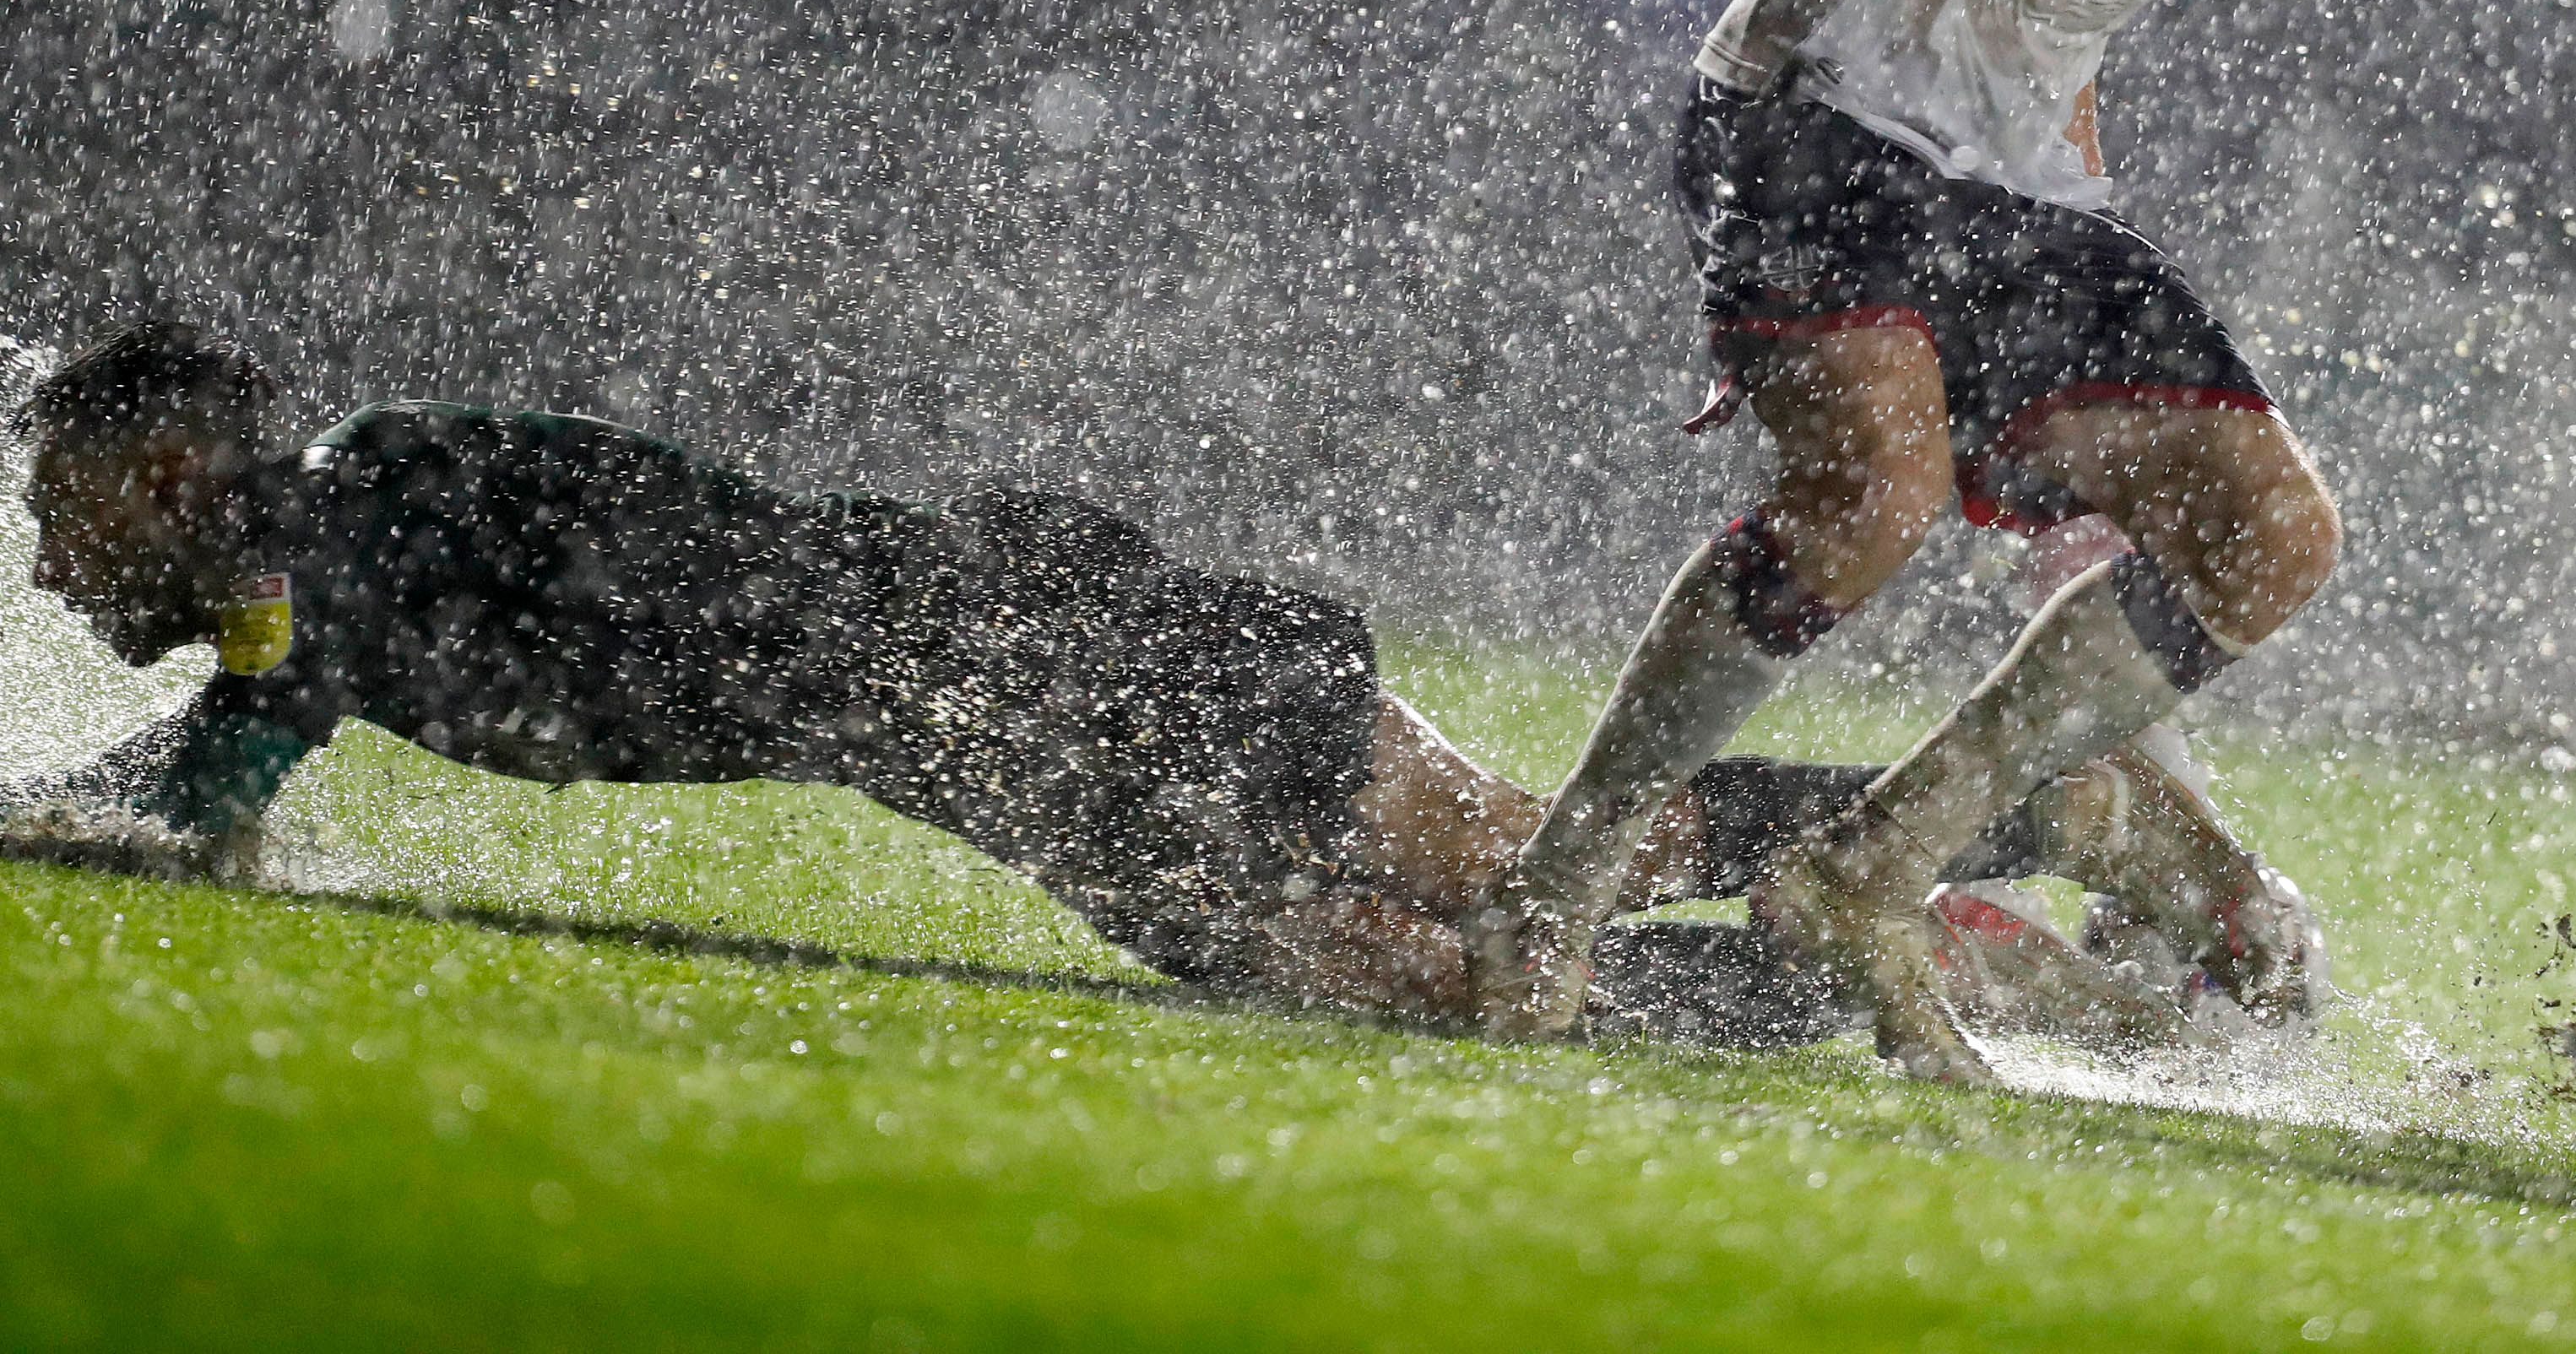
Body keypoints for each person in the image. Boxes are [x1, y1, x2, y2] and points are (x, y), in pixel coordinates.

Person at [1463, 0, 2576, 1086]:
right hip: (1828, 91)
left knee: (2269, 530)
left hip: (2005, 169)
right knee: (1874, 498)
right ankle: (1558, 883)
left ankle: (1876, 864)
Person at [5, 321, 2289, 1048]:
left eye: (67, 511)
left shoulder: (338, 500)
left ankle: (2047, 822)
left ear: (175, 459)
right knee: (1444, 985)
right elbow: (233, 731)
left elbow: (234, 757)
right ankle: (1964, 946)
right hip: (989, 740)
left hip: (1033, 652)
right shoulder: (315, 560)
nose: (48, 555)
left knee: (1531, 877)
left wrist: (74, 811)